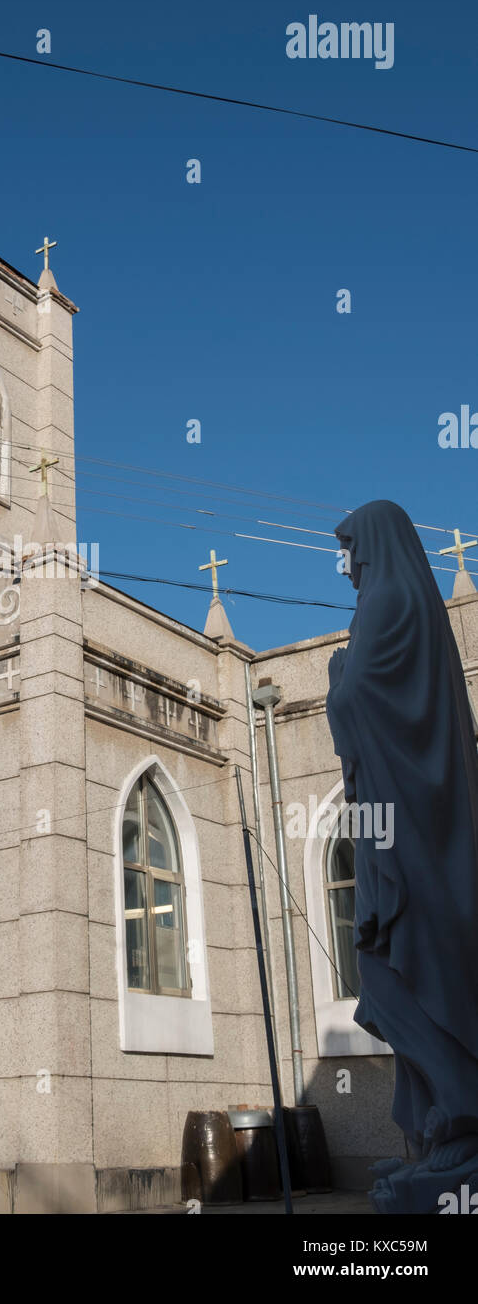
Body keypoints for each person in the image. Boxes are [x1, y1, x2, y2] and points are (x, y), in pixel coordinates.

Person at [326, 500, 478, 1213]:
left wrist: (335, 675)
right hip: (407, 828)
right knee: (402, 973)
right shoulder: (405, 601)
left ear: (376, 544)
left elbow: (359, 698)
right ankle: (435, 1131)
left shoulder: (388, 599)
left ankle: (456, 1116)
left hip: (406, 840)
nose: (348, 563)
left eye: (351, 547)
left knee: (399, 977)